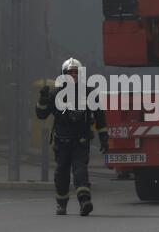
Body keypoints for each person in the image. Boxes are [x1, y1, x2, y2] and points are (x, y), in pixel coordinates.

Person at [36, 58, 109, 216]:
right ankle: (61, 204)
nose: (73, 75)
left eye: (76, 72)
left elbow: (100, 117)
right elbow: (41, 115)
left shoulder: (89, 93)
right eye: (70, 73)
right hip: (61, 142)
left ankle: (84, 201)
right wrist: (42, 100)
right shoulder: (56, 94)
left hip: (80, 141)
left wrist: (104, 139)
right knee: (61, 174)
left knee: (80, 170)